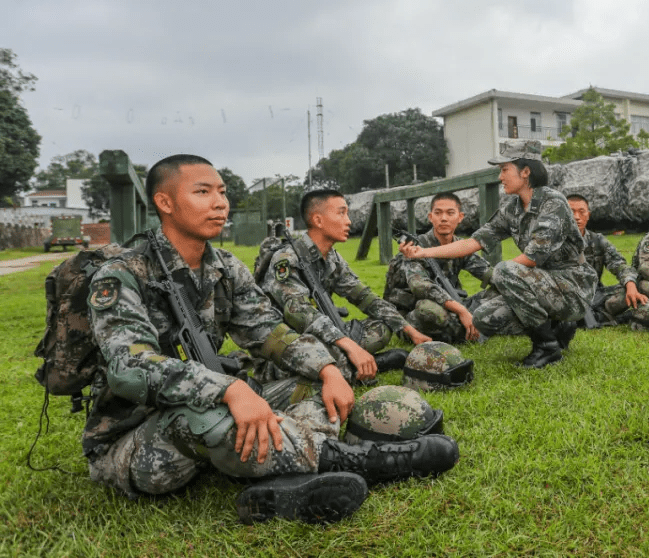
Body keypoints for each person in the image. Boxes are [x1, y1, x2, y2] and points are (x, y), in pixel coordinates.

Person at [86, 156, 457, 524]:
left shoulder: (224, 267)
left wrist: (327, 369)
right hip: (135, 442)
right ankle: (356, 459)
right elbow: (128, 369)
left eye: (222, 192)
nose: (220, 203)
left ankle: (283, 486)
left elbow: (269, 330)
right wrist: (229, 390)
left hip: (210, 408)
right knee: (202, 413)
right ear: (164, 203)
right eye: (203, 192)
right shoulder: (122, 274)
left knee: (310, 381)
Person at [400, 141, 597, 369]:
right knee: (483, 317)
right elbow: (474, 242)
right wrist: (423, 252)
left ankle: (546, 346)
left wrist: (503, 280)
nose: (500, 176)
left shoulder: (553, 203)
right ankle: (557, 326)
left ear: (525, 172)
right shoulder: (512, 208)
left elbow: (532, 259)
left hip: (573, 287)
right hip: (543, 284)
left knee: (504, 270)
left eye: (504, 170)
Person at [259, 189, 430, 384]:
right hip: (288, 342)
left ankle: (350, 363)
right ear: (318, 220)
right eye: (341, 213)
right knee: (322, 355)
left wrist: (409, 329)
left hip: (322, 332)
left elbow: (365, 297)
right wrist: (348, 344)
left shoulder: (332, 258)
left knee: (382, 328)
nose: (348, 221)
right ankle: (363, 365)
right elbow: (298, 312)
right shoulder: (286, 259)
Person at [383, 192, 491, 343]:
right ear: (430, 217)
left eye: (450, 213)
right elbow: (420, 286)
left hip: (451, 305)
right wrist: (462, 311)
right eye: (438, 213)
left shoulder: (459, 246)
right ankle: (468, 329)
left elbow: (489, 274)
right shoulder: (414, 248)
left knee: (499, 292)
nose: (444, 218)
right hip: (413, 314)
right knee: (428, 309)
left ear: (460, 217)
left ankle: (465, 328)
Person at [566, 194, 649, 331]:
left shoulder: (597, 240)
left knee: (641, 286)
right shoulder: (551, 242)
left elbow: (619, 264)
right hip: (563, 297)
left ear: (588, 215)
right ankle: (608, 316)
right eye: (571, 212)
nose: (577, 217)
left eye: (581, 212)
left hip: (596, 296)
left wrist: (630, 285)